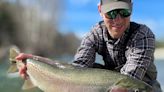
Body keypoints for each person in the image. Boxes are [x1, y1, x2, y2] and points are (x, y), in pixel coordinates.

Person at [16, 0, 162, 92]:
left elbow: (129, 80)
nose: (117, 19)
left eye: (124, 12)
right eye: (111, 13)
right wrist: (34, 62)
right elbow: (76, 70)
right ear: (100, 10)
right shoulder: (94, 34)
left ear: (131, 8)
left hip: (143, 86)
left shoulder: (143, 35)